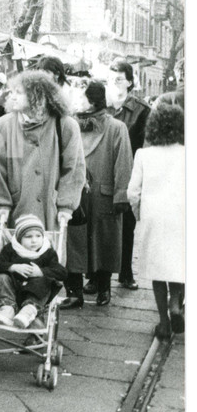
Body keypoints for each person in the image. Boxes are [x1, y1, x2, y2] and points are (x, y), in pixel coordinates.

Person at [62, 81, 133, 308]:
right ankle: (74, 292)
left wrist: (122, 195)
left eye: (80, 97)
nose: (75, 101)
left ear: (91, 101)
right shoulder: (70, 124)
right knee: (73, 242)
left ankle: (104, 288)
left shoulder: (116, 128)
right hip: (75, 194)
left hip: (104, 196)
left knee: (105, 243)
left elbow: (124, 163)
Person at [0, 70, 86, 234]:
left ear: (38, 95)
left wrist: (66, 205)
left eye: (19, 93)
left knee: (48, 257)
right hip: (15, 213)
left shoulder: (65, 125)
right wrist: (1, 203)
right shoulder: (4, 126)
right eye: (12, 92)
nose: (12, 96)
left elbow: (74, 168)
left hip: (51, 213)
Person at [126, 97, 185, 339]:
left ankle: (163, 323)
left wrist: (140, 213)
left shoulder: (143, 155)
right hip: (183, 216)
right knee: (180, 264)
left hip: (154, 217)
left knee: (158, 269)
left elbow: (132, 191)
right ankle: (176, 303)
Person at [105, 60, 150, 291]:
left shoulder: (141, 110)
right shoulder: (100, 105)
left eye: (119, 79)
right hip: (102, 171)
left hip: (129, 173)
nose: (113, 83)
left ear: (130, 82)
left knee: (127, 224)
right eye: (110, 78)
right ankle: (98, 276)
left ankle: (125, 272)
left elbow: (144, 146)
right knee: (101, 223)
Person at [0, 215, 67, 328]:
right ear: (20, 238)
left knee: (44, 280)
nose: (34, 240)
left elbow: (61, 272)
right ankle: (7, 309)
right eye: (28, 237)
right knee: (1, 277)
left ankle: (29, 311)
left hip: (36, 295)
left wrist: (41, 271)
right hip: (14, 291)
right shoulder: (11, 249)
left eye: (38, 236)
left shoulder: (48, 252)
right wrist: (13, 267)